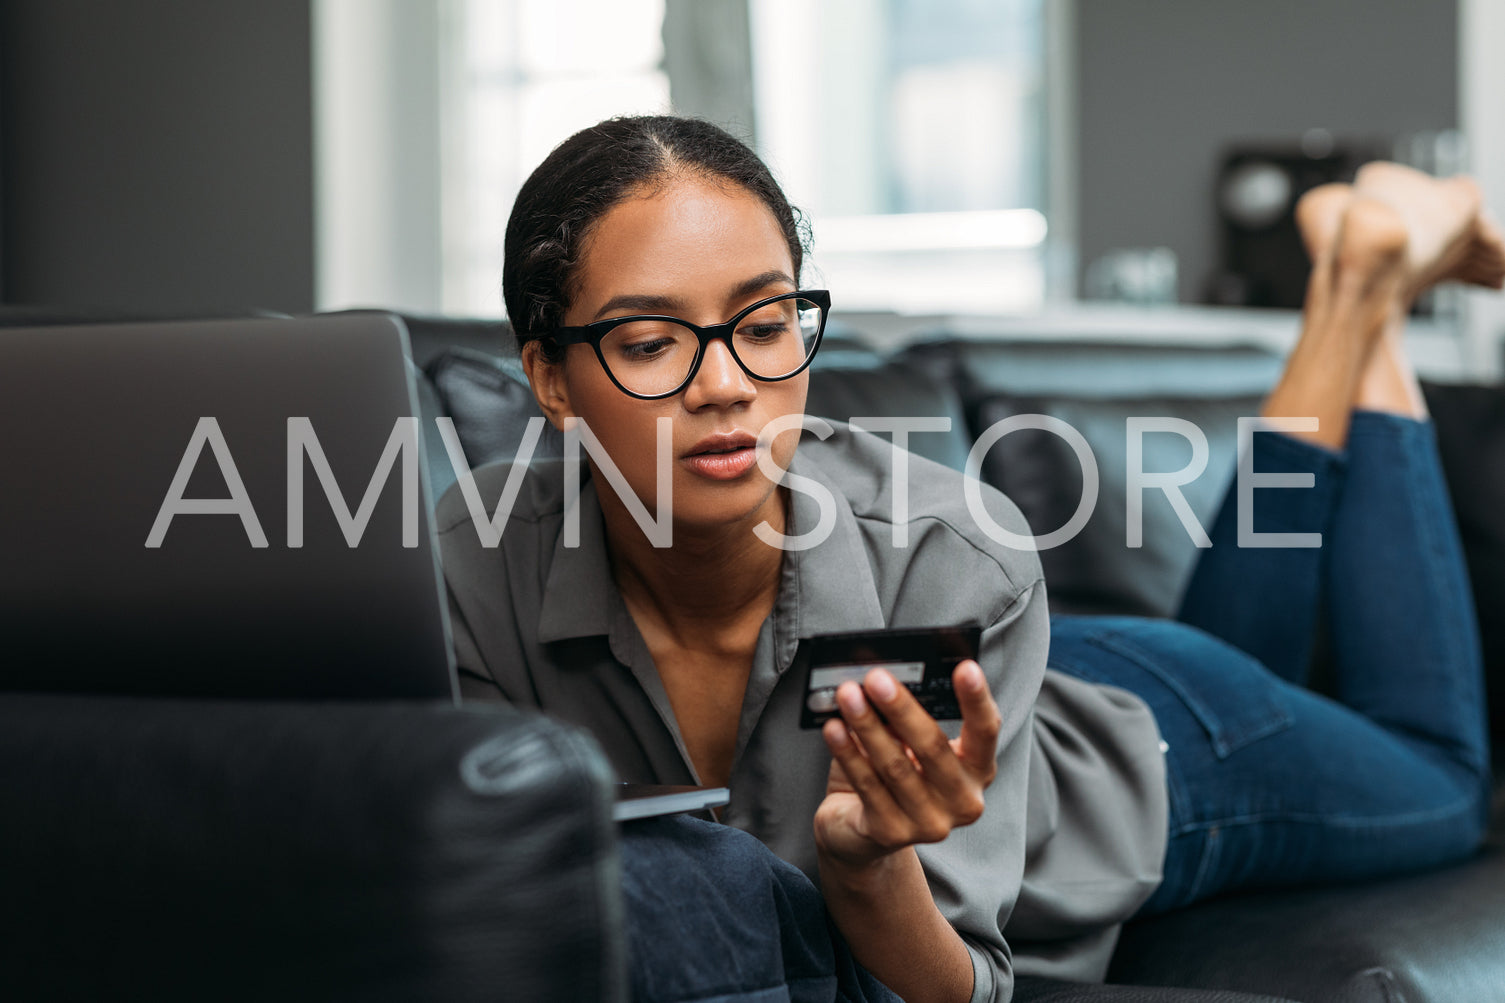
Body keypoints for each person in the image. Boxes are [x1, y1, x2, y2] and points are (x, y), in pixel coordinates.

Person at [437, 116, 1505, 1003]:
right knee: (1237, 631)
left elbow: (957, 986)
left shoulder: (951, 547)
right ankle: (1357, 276)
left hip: (1168, 758)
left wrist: (869, 865)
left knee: (1447, 778)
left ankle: (1362, 291)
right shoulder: (468, 572)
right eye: (648, 341)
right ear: (551, 376)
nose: (725, 384)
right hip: (1030, 654)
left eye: (763, 322)